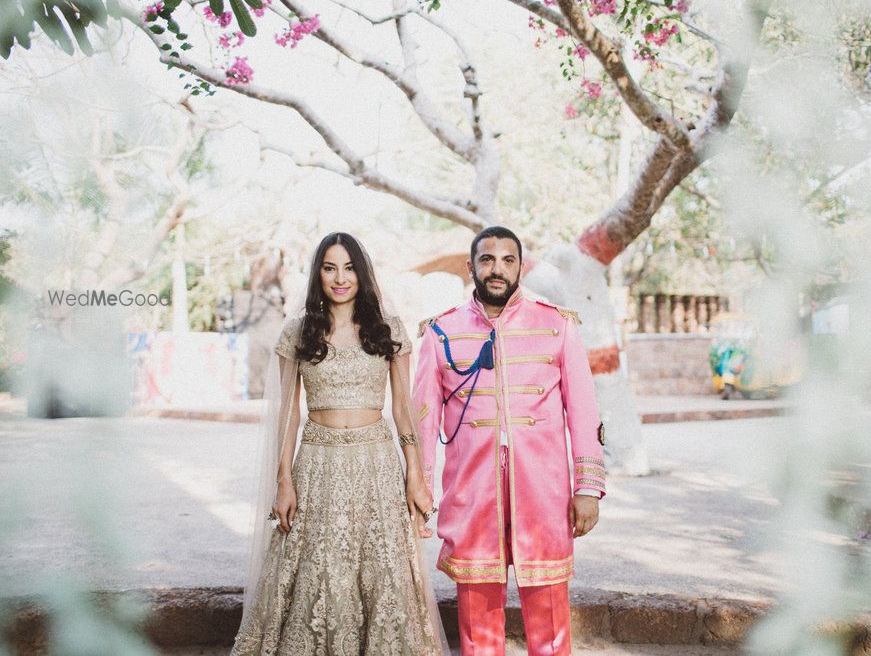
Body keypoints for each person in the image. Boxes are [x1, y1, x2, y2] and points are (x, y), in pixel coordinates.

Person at [231, 232, 449, 655]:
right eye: (330, 268)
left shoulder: (388, 330)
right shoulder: (298, 332)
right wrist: (283, 481)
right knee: (316, 573)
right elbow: (289, 414)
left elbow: (404, 410)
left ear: (362, 274)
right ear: (319, 275)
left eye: (349, 267)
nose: (340, 278)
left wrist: (416, 477)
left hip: (376, 465)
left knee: (381, 575)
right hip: (316, 464)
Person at [413, 226, 606, 656]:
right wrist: (419, 492)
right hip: (472, 492)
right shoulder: (440, 332)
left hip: (544, 492)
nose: (497, 269)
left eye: (507, 260)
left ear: (521, 266)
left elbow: (584, 413)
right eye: (487, 260)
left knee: (550, 611)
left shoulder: (557, 325)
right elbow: (422, 422)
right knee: (478, 615)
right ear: (471, 267)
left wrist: (588, 489)